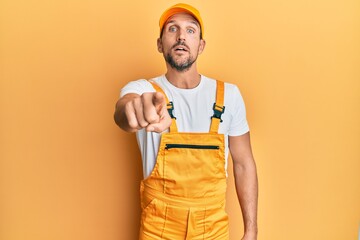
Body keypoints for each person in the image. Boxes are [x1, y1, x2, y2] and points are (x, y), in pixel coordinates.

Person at [114, 3, 258, 240]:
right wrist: (135, 111)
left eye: (191, 30)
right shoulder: (142, 89)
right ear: (160, 44)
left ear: (201, 45)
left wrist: (251, 231)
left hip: (212, 228)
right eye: (172, 29)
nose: (181, 36)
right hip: (158, 228)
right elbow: (123, 111)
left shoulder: (229, 95)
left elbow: (244, 164)